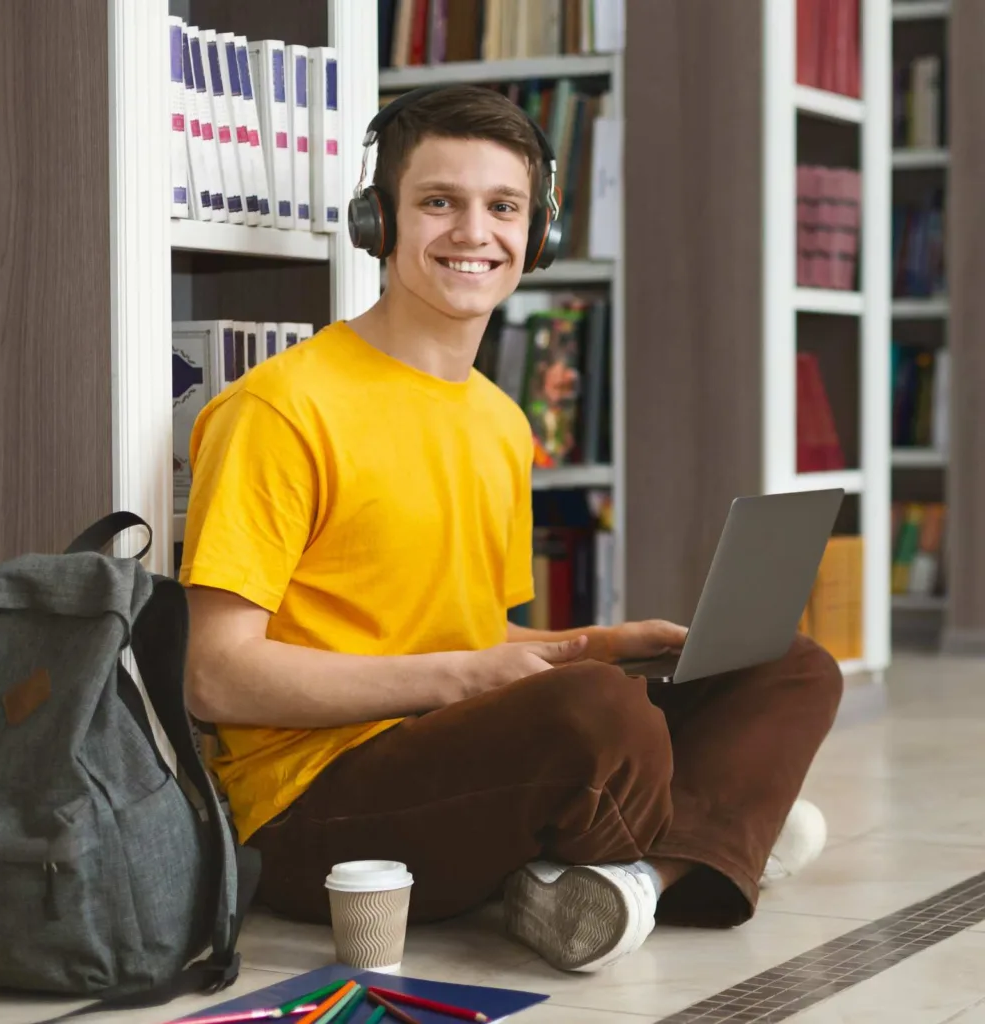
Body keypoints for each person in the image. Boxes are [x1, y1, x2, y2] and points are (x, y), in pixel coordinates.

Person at [179, 85, 843, 974]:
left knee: (788, 663)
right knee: (601, 714)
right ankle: (706, 842)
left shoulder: (498, 422)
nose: (472, 233)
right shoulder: (280, 408)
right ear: (380, 221)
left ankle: (633, 884)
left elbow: (478, 632)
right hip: (314, 811)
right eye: (438, 202)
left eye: (503, 208)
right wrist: (475, 681)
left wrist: (599, 643)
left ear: (539, 237)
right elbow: (216, 675)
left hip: (458, 753)